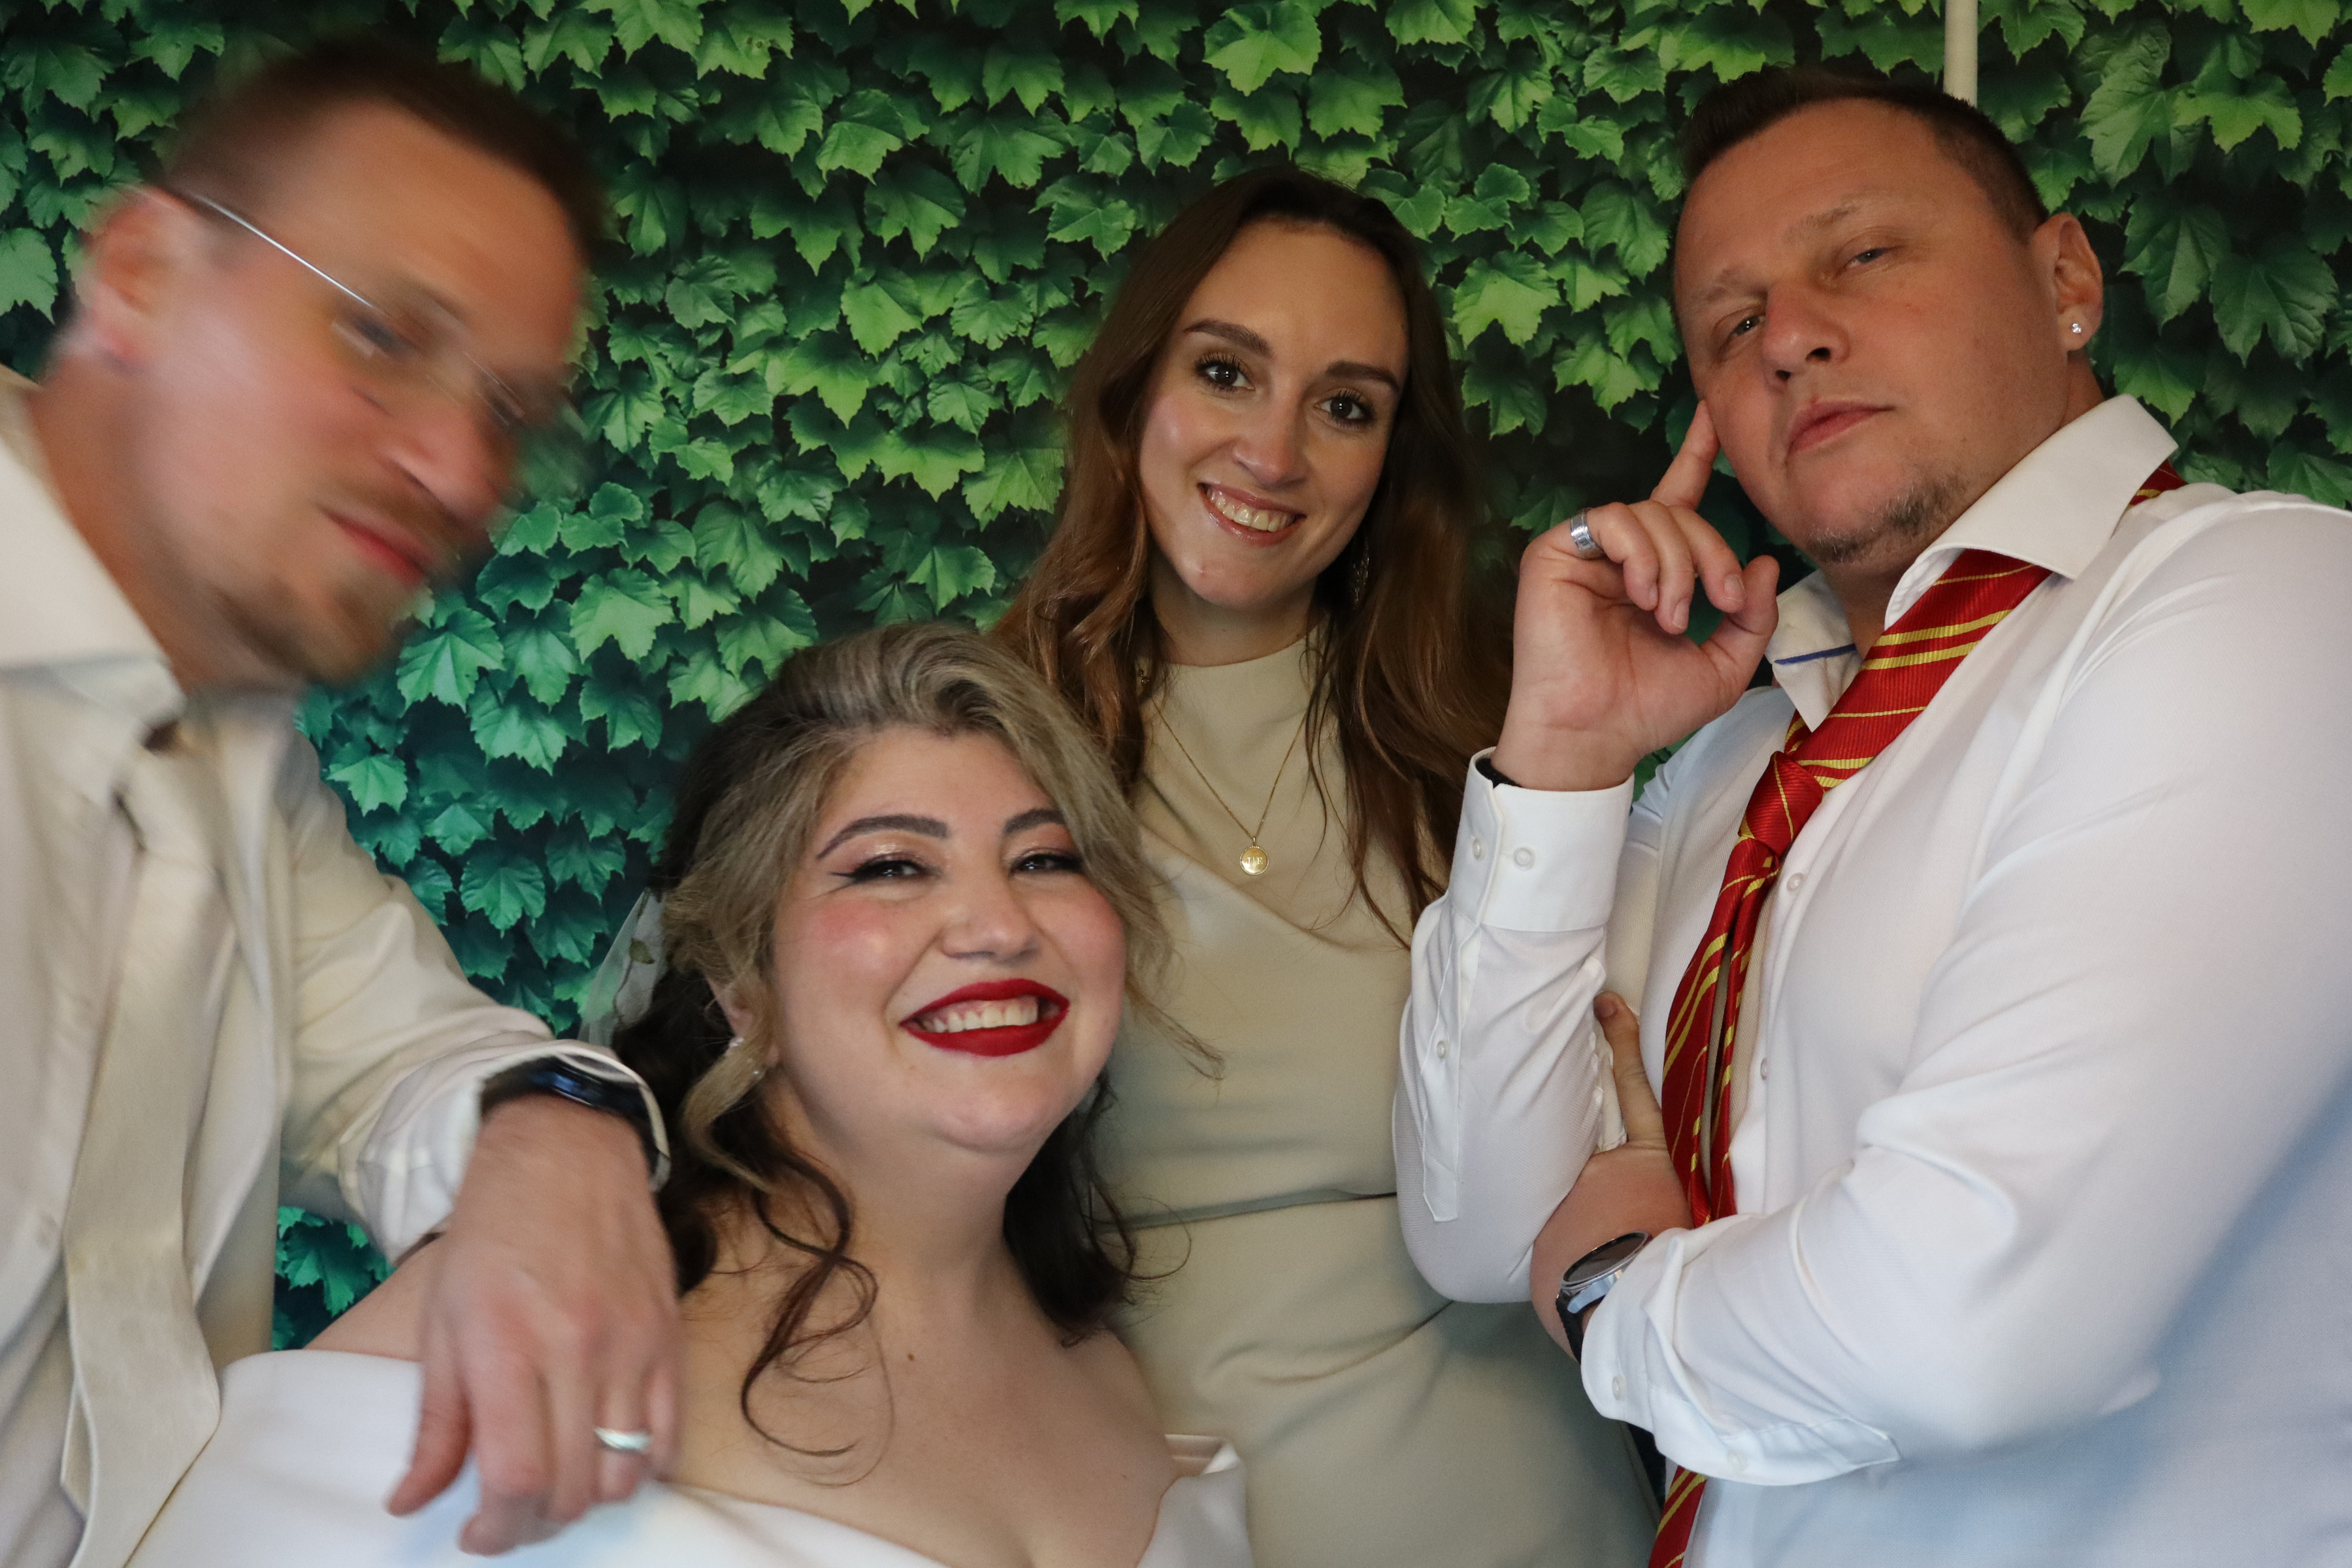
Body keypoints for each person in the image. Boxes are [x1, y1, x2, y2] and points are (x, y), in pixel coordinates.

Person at [1397, 63, 2352, 1567]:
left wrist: (1614, 1296)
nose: (1790, 335)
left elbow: (1970, 1327)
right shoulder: (1734, 762)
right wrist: (1564, 759)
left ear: (2066, 282)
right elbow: (1473, 1226)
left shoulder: (2268, 606)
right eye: (1732, 326)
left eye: (1862, 254)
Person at [127, 623, 1255, 1568]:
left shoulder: (1111, 1369)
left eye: (1046, 859)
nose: (1000, 925)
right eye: (891, 867)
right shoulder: (539, 1318)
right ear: (740, 984)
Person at [0, 39, 687, 1568]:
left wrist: (558, 1127)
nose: (457, 471)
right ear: (140, 274)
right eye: (381, 335)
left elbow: (400, 1056)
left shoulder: (231, 742)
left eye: (510, 414)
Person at [995, 167, 1657, 1567]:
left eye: (1345, 406)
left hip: (1539, 1514)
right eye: (1226, 372)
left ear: (1393, 461)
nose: (1274, 451)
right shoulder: (970, 752)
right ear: (1133, 389)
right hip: (1161, 1527)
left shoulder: (1508, 742)